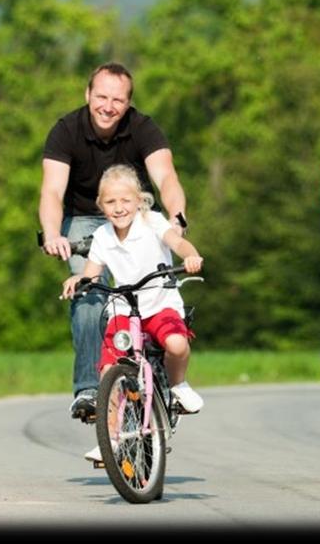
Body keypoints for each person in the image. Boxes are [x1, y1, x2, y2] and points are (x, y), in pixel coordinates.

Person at [39, 62, 189, 423]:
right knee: (90, 293)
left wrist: (177, 216)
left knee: (150, 286)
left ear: (128, 104)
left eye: (117, 100)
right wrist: (53, 233)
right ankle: (90, 389)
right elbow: (52, 190)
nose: (108, 106)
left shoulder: (143, 128)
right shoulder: (65, 130)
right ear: (88, 95)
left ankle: (165, 376)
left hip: (135, 213)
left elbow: (166, 176)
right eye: (101, 97)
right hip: (84, 219)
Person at [61, 164, 204, 462]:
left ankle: (178, 386)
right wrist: (79, 280)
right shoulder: (102, 236)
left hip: (160, 303)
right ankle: (110, 440)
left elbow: (176, 241)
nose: (119, 207)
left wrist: (189, 255)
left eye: (125, 200)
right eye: (111, 202)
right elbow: (92, 271)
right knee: (108, 370)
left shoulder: (152, 221)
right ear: (101, 206)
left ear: (139, 200)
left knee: (176, 345)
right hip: (124, 307)